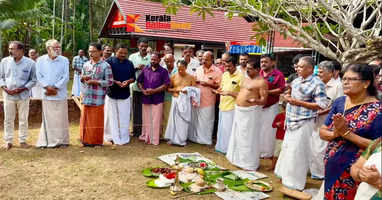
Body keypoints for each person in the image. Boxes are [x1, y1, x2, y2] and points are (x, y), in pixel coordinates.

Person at [316, 63, 382, 200]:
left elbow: (377, 147)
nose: (345, 82)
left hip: (355, 171)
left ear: (366, 83)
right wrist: (336, 133)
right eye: (344, 79)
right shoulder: (340, 102)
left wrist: (347, 134)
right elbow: (322, 132)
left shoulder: (377, 110)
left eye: (351, 79)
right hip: (332, 164)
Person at [275, 56, 329, 199]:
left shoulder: (318, 83)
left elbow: (322, 104)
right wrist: (287, 96)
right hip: (291, 120)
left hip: (304, 121)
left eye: (300, 66)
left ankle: (295, 184)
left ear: (310, 68)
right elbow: (291, 93)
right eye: (297, 66)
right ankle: (286, 179)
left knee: (298, 152)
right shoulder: (297, 80)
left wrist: (298, 102)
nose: (297, 68)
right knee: (287, 150)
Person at [226, 62, 268, 170]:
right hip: (240, 111)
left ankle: (248, 163)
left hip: (251, 112)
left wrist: (256, 100)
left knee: (249, 137)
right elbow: (241, 94)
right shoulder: (245, 79)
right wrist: (228, 93)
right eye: (247, 68)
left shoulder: (262, 82)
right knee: (238, 136)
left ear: (257, 69)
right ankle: (237, 159)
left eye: (250, 69)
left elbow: (264, 100)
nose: (247, 70)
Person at [310, 61, 344, 180]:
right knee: (313, 147)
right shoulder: (317, 84)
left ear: (330, 73)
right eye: (318, 71)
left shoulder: (338, 86)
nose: (318, 74)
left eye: (321, 72)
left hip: (327, 122)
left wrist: (321, 111)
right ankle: (315, 172)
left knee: (321, 149)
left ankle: (322, 174)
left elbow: (338, 104)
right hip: (314, 120)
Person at [0, 41, 36, 150]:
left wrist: (23, 88)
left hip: (23, 95)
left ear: (21, 50)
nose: (10, 51)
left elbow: (33, 80)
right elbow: (1, 77)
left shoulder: (30, 63)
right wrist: (5, 88)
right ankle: (8, 141)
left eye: (13, 49)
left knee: (23, 118)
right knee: (8, 119)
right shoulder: (4, 61)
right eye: (10, 49)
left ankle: (23, 140)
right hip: (8, 95)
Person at [35, 39, 70, 148]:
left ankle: (62, 141)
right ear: (48, 49)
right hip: (47, 93)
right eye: (55, 48)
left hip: (60, 94)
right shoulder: (40, 60)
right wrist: (48, 88)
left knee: (61, 118)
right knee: (48, 119)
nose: (57, 50)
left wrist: (55, 88)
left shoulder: (64, 60)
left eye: (58, 47)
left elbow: (66, 77)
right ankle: (46, 141)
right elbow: (38, 76)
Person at [80, 43, 113, 147]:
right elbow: (82, 78)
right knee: (85, 119)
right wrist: (83, 78)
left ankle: (95, 141)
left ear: (100, 52)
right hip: (87, 95)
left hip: (97, 97)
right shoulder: (86, 64)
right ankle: (84, 140)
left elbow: (110, 82)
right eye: (89, 51)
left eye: (93, 51)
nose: (91, 53)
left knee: (95, 120)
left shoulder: (105, 66)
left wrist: (96, 82)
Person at [188, 51, 222, 145]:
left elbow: (219, 86)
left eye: (206, 59)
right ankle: (194, 138)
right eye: (202, 59)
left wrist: (207, 84)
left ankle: (205, 140)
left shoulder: (217, 71)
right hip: (196, 99)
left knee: (207, 121)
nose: (203, 61)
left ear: (212, 60)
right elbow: (193, 81)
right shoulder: (198, 69)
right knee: (195, 120)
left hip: (208, 100)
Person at [104, 44, 135, 145]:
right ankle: (110, 136)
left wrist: (128, 81)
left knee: (124, 117)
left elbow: (133, 78)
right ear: (115, 51)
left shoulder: (129, 63)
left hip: (124, 94)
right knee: (111, 117)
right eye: (120, 52)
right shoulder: (109, 62)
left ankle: (123, 137)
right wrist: (115, 81)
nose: (123, 55)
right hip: (111, 93)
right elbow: (105, 76)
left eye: (125, 53)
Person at [137, 53, 170, 145]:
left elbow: (166, 85)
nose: (153, 61)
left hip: (157, 98)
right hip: (146, 98)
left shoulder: (163, 71)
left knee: (156, 120)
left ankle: (154, 140)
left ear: (159, 60)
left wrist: (154, 91)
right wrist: (143, 90)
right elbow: (139, 81)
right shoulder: (145, 69)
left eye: (155, 59)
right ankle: (146, 137)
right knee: (146, 119)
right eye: (151, 59)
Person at [214, 53, 243, 154]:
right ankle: (221, 147)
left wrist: (230, 93)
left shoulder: (241, 76)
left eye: (229, 66)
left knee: (229, 130)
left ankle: (228, 150)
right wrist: (218, 90)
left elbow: (243, 94)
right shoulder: (225, 74)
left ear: (235, 65)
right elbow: (222, 87)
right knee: (222, 129)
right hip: (222, 105)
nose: (227, 68)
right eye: (225, 66)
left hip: (232, 107)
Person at [259, 54, 286, 158]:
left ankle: (267, 153)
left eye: (266, 62)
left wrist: (266, 92)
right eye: (262, 62)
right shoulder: (258, 73)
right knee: (259, 129)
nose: (263, 64)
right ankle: (258, 151)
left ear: (273, 63)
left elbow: (281, 89)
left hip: (271, 106)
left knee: (269, 130)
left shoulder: (278, 75)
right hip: (258, 106)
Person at [164, 59, 197, 146]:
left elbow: (195, 91)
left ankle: (182, 140)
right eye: (179, 69)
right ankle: (173, 139)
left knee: (183, 122)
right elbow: (168, 89)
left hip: (185, 102)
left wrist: (188, 91)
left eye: (182, 69)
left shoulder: (191, 77)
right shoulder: (174, 76)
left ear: (186, 68)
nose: (180, 71)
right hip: (175, 100)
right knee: (173, 121)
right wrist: (176, 90)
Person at [129, 37, 151, 137]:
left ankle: (145, 130)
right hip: (136, 87)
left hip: (148, 89)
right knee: (136, 109)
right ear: (138, 46)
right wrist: (136, 68)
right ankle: (136, 130)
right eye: (142, 46)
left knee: (146, 110)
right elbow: (128, 70)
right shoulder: (132, 57)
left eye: (145, 46)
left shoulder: (151, 58)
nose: (143, 48)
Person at [162, 54, 178, 135]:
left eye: (170, 61)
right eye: (166, 61)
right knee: (163, 117)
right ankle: (163, 134)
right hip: (162, 96)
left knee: (170, 117)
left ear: (174, 60)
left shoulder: (178, 70)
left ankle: (168, 135)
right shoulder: (162, 70)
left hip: (174, 97)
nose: (168, 63)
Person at [270, 103, 286, 170]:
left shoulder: (291, 117)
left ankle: (281, 168)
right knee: (276, 153)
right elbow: (273, 125)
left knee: (284, 154)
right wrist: (278, 124)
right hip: (279, 138)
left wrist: (282, 123)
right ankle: (272, 166)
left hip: (287, 138)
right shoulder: (279, 116)